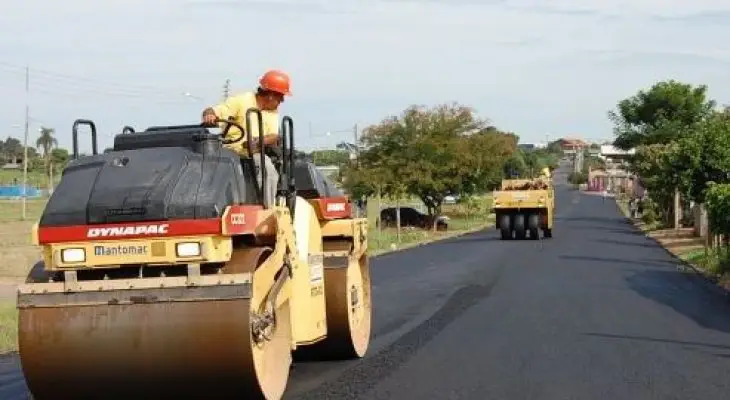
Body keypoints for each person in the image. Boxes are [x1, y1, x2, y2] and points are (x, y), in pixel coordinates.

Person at [201, 70, 292, 208]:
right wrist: (209, 115)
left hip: (254, 152)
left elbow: (273, 135)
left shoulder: (272, 111)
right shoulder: (241, 100)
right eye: (281, 97)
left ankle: (267, 208)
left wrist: (259, 142)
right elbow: (213, 111)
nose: (282, 101)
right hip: (230, 150)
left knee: (268, 170)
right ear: (271, 95)